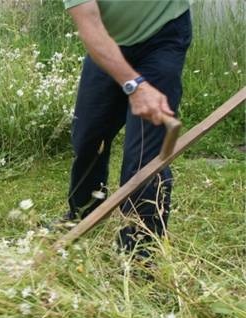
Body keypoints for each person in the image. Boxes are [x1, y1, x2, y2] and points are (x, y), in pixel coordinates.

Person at [62, 0, 192, 258]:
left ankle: (140, 253)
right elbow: (89, 25)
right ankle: (84, 213)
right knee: (88, 138)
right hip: (107, 42)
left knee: (145, 158)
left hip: (162, 35)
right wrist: (135, 85)